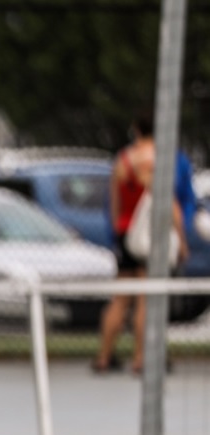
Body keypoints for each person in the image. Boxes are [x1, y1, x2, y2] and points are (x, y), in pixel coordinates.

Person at [93, 110, 191, 375]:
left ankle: (104, 355)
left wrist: (118, 232)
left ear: (136, 129)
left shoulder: (124, 160)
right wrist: (181, 238)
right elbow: (167, 202)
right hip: (149, 236)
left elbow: (114, 202)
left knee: (121, 297)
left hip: (126, 233)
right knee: (146, 298)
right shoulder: (157, 160)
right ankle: (140, 357)